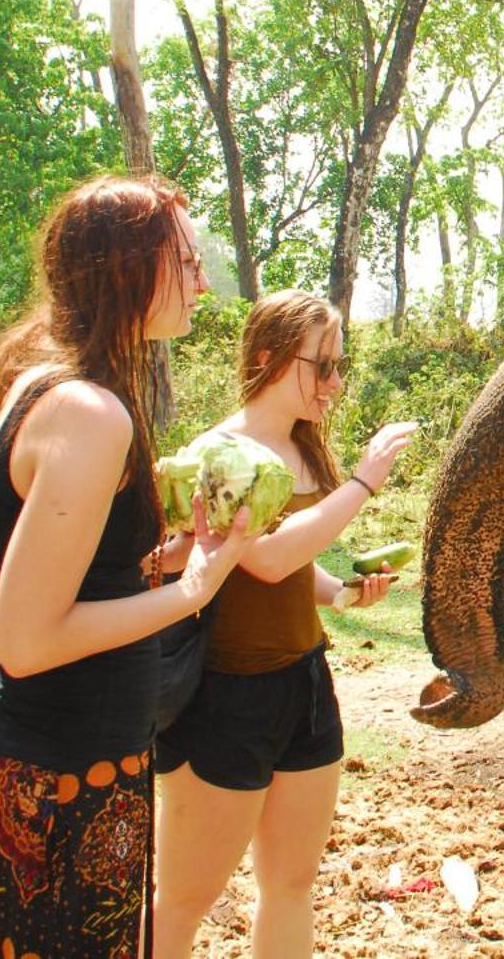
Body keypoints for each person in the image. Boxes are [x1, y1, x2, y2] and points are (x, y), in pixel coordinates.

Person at [0, 174, 253, 959]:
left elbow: (76, 576)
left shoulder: (49, 386)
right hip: (58, 782)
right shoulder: (88, 411)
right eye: (186, 262)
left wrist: (163, 561)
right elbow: (26, 635)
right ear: (127, 268)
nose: (203, 281)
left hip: (78, 767)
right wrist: (193, 590)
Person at [152, 289, 419, 958]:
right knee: (185, 897)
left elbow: (294, 567)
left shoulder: (305, 448)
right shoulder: (219, 450)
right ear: (269, 358)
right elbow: (264, 558)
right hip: (225, 694)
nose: (335, 381)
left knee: (293, 882)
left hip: (304, 683)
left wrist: (341, 595)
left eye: (340, 364)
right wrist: (363, 484)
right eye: (321, 364)